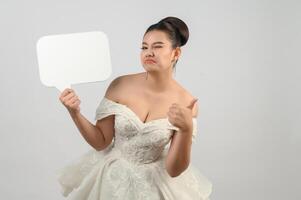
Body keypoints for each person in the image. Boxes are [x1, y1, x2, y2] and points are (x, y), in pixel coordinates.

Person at [57, 16, 212, 200]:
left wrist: (186, 130)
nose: (149, 52)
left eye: (157, 46)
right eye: (144, 47)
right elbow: (101, 141)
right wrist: (74, 113)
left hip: (155, 187)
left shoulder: (186, 102)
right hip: (112, 180)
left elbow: (173, 170)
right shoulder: (120, 85)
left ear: (176, 53)